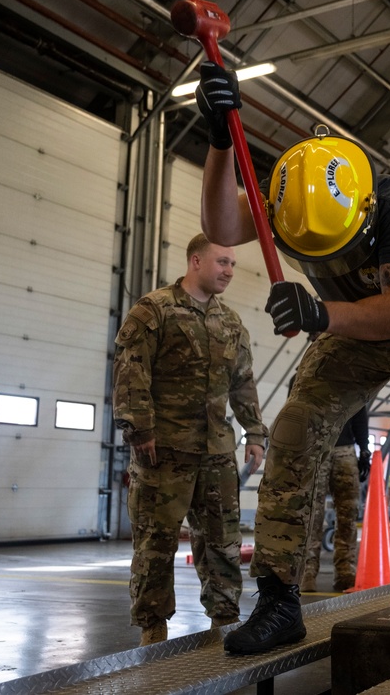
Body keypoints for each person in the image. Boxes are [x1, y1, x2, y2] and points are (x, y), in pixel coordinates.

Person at [195, 61, 390, 667]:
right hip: (349, 324)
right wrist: (216, 142)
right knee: (294, 427)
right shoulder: (289, 198)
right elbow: (221, 224)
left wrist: (318, 315)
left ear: (362, 210)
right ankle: (281, 600)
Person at [112, 233, 268, 646]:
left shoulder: (230, 322)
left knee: (223, 543)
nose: (229, 271)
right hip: (163, 452)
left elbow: (243, 382)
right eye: (222, 262)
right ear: (195, 261)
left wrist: (254, 431)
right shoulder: (154, 311)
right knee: (155, 544)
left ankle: (225, 622)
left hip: (216, 454)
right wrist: (140, 429)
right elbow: (131, 370)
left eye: (232, 264)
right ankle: (153, 628)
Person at [299, 403, 371, 593]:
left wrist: (364, 448)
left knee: (348, 513)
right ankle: (307, 573)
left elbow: (359, 412)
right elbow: (297, 414)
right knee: (311, 513)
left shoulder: (351, 376)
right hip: (315, 449)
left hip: (345, 450)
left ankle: (345, 573)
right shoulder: (300, 378)